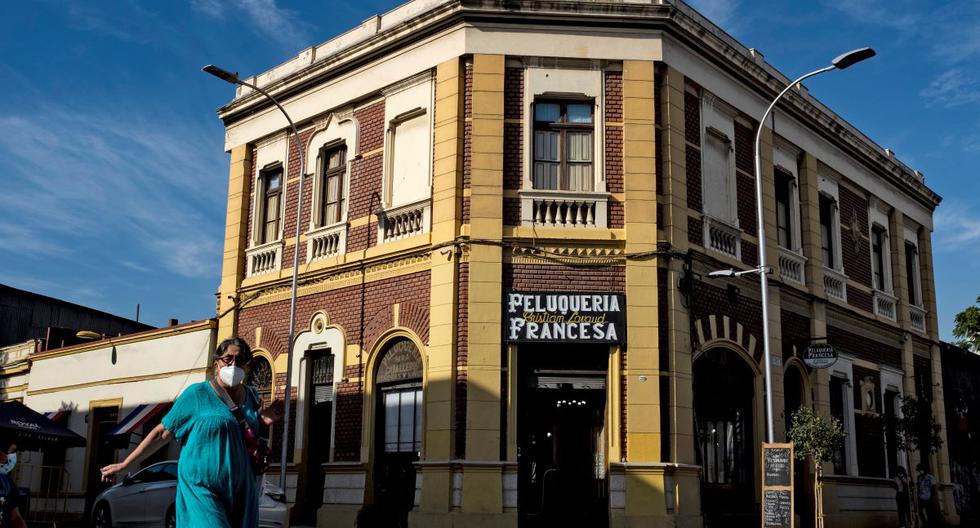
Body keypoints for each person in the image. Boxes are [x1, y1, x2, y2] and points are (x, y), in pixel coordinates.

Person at [100, 337, 284, 527]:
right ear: (217, 364)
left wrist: (263, 422)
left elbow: (247, 439)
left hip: (242, 492)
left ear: (247, 367)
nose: (233, 364)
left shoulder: (252, 397)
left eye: (240, 360)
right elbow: (162, 433)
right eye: (228, 359)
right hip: (202, 490)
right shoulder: (196, 394)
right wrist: (126, 464)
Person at [915, 463, 938, 528]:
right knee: (920, 512)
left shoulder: (930, 477)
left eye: (920, 470)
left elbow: (933, 488)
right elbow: (918, 487)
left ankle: (930, 525)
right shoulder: (919, 477)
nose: (919, 472)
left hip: (928, 497)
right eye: (919, 470)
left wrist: (932, 497)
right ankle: (925, 524)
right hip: (920, 497)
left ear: (924, 470)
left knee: (929, 513)